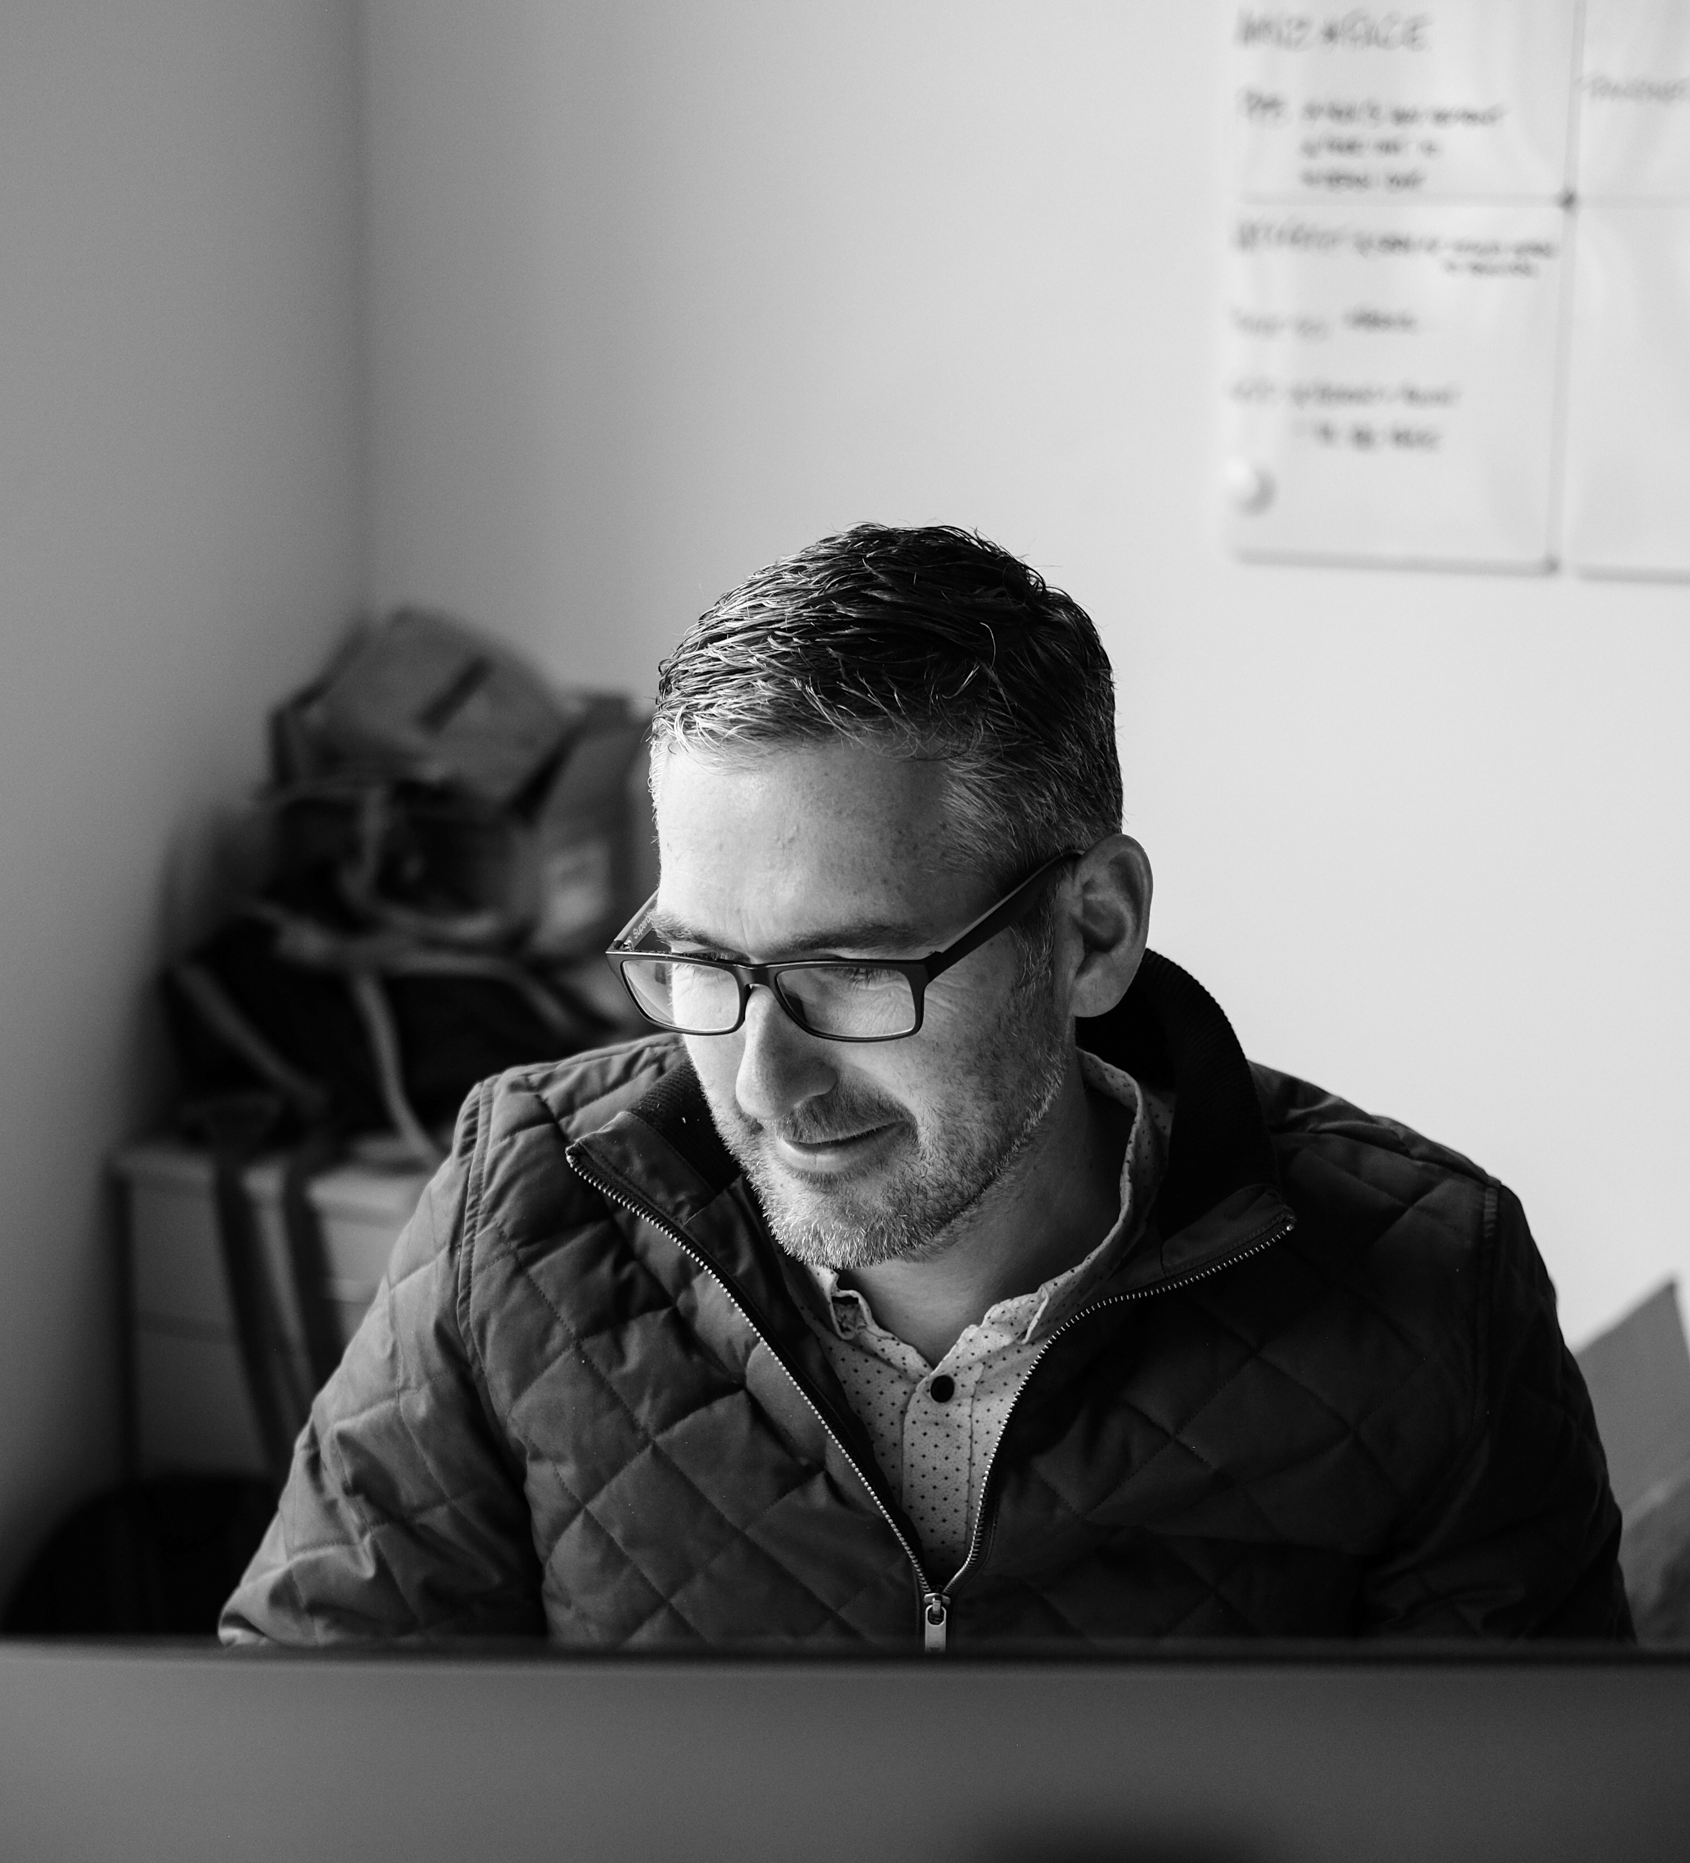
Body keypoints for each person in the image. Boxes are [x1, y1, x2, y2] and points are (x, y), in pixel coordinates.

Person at [221, 524, 1629, 1650]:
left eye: (849, 971)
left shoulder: (1429, 1287)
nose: (762, 1079)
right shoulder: (523, 1199)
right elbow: (315, 1750)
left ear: (1091, 933)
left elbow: (1507, 1853)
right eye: (702, 965)